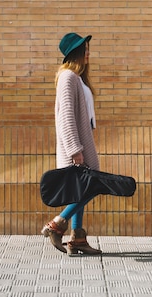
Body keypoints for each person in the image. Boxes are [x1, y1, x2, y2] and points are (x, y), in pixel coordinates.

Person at [41, 32, 102, 256]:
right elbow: (65, 115)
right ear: (75, 53)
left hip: (83, 143)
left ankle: (78, 238)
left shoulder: (77, 78)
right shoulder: (67, 77)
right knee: (92, 186)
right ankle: (57, 224)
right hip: (76, 147)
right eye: (84, 48)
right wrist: (75, 149)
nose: (88, 52)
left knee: (82, 189)